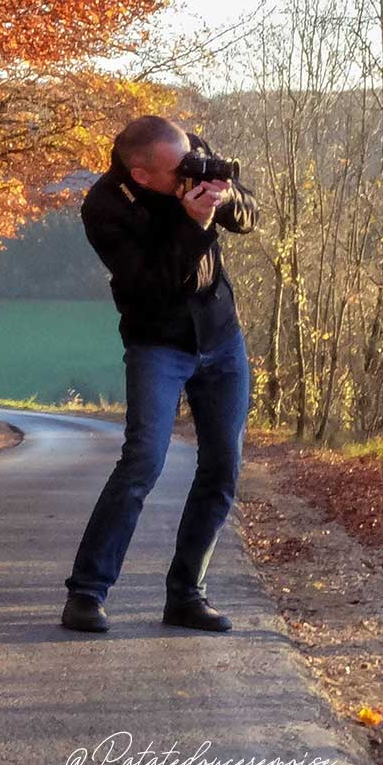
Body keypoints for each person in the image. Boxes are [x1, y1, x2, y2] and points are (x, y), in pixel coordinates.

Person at [61, 115, 258, 633]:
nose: (190, 170)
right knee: (143, 463)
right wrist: (193, 223)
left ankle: (187, 595)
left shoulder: (193, 157)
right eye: (178, 169)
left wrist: (223, 200)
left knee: (223, 467)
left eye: (191, 157)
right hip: (157, 343)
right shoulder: (104, 207)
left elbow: (249, 216)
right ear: (142, 175)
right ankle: (87, 592)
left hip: (220, 336)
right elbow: (151, 284)